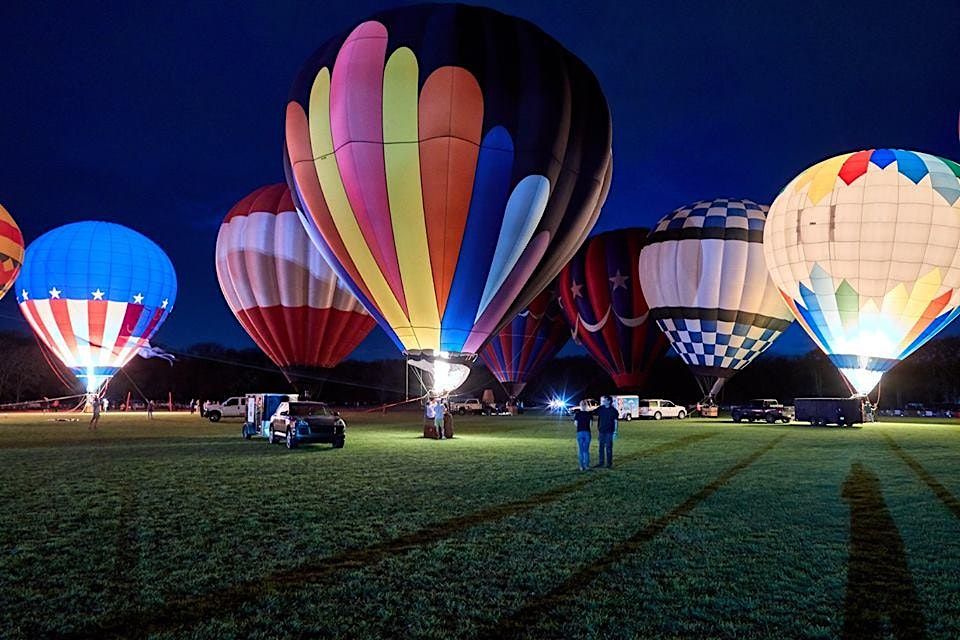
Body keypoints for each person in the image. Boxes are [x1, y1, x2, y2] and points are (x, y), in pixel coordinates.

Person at [595, 395, 618, 468]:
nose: (603, 402)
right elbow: (592, 412)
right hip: (601, 431)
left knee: (608, 447)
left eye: (604, 400)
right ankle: (601, 462)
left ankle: (609, 463)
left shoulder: (613, 411)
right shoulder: (600, 409)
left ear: (609, 401)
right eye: (603, 401)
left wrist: (615, 431)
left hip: (609, 431)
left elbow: (616, 421)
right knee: (601, 448)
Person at [573, 401, 593, 471]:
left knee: (581, 450)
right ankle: (587, 466)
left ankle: (581, 466)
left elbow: (575, 424)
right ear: (586, 406)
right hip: (587, 432)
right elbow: (591, 424)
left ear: (580, 405)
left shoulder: (577, 414)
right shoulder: (589, 414)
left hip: (580, 432)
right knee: (586, 451)